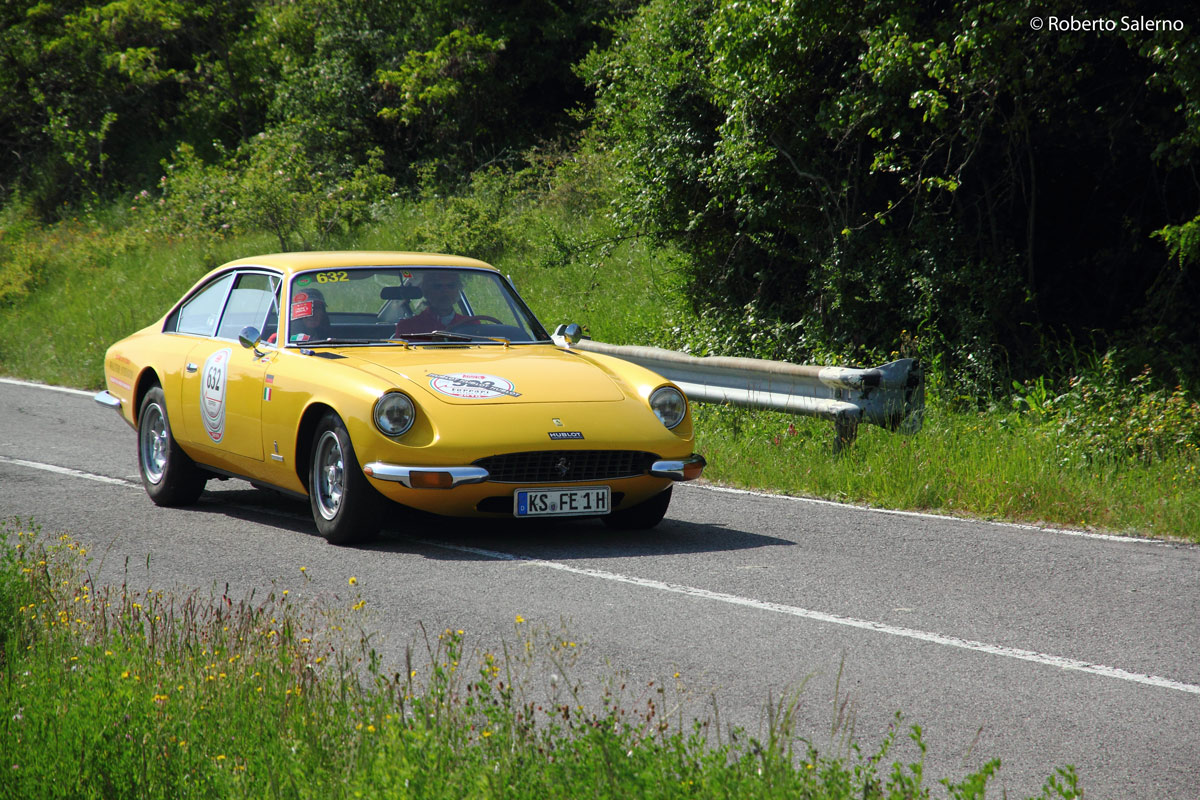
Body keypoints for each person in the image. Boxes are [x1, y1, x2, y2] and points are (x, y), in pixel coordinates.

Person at [393, 271, 471, 336]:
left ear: (457, 291)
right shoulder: (408, 327)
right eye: (438, 286)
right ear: (427, 291)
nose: (445, 291)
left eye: (450, 286)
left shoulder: (470, 324)